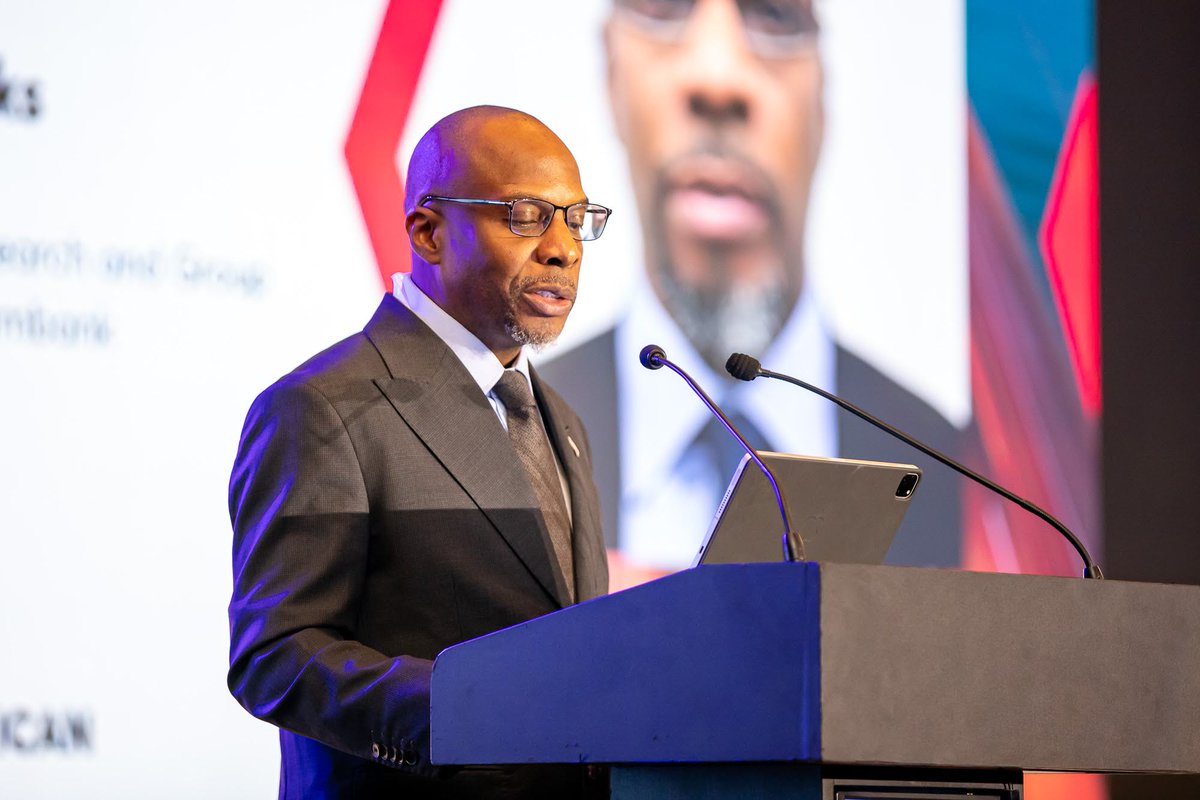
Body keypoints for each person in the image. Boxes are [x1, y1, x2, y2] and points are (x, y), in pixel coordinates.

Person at [227, 106, 611, 798]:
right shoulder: (324, 407)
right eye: (527, 216)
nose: (564, 248)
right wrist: (465, 707)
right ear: (429, 233)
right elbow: (276, 655)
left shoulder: (565, 423)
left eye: (577, 219)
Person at [541, 0, 963, 571]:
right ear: (611, 74)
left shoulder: (955, 470)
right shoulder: (516, 438)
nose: (719, 78)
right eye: (664, 8)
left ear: (823, 98)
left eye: (775, 15)